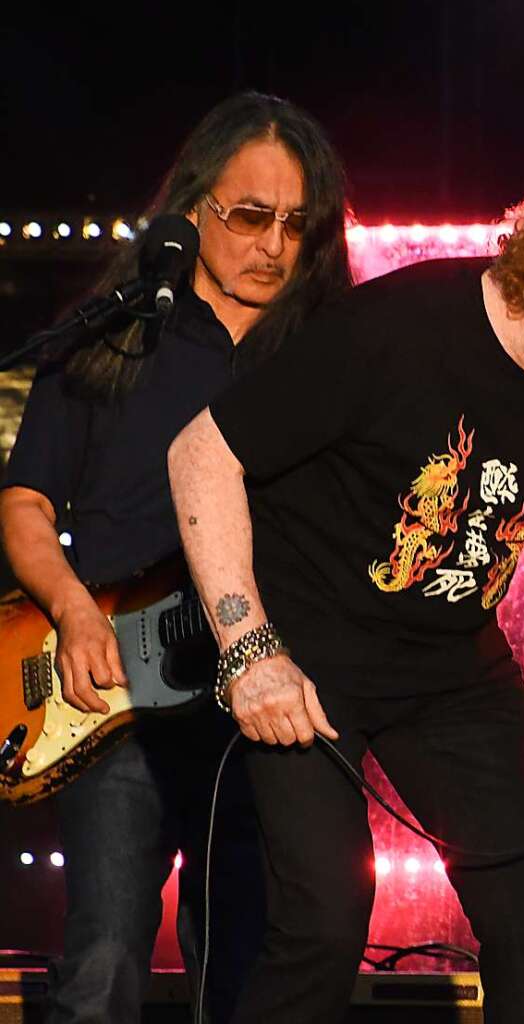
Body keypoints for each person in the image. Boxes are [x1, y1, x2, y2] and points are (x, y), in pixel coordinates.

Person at [167, 162, 524, 1024]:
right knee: (323, 917)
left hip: (450, 666)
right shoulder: (389, 333)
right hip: (308, 653)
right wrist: (249, 651)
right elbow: (201, 454)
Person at [0, 91, 352, 1023]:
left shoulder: (328, 357)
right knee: (104, 958)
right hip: (118, 703)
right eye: (249, 216)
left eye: (294, 224)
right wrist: (75, 610)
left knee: (238, 966)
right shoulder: (111, 336)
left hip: (261, 709)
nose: (273, 245)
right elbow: (27, 499)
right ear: (193, 207)